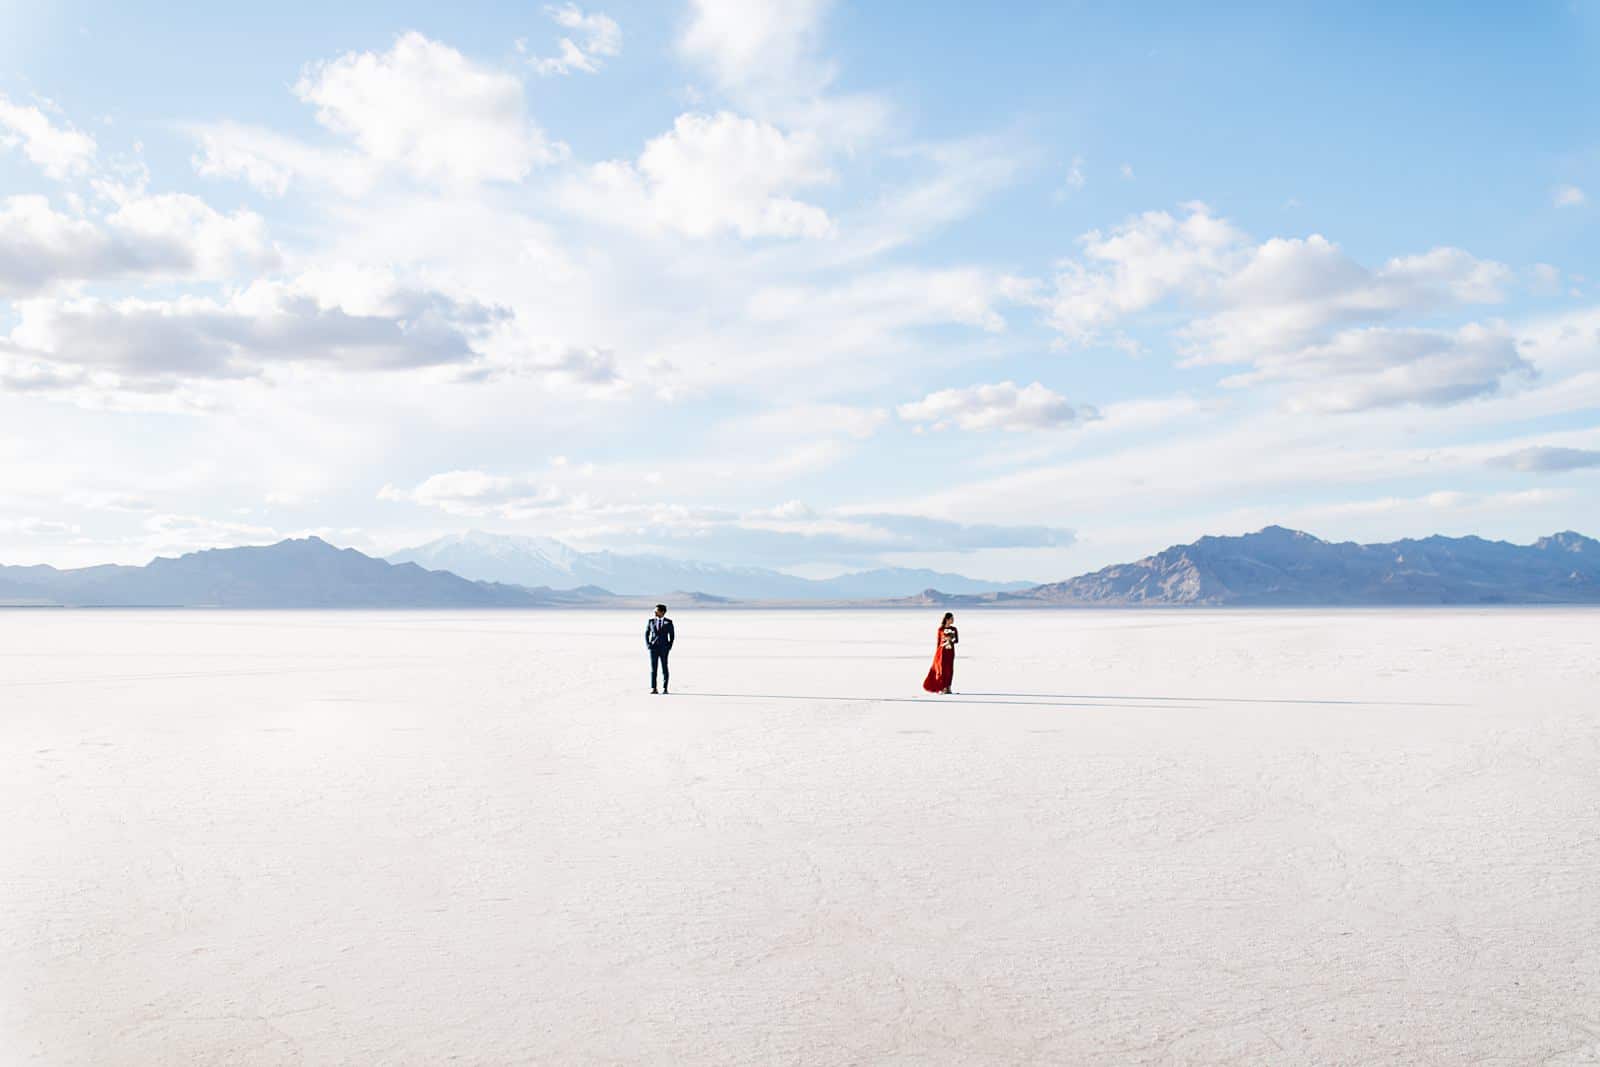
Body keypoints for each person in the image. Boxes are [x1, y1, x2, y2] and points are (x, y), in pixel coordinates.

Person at [921, 611, 958, 694]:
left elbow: (956, 641)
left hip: (950, 652)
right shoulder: (940, 629)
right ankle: (942, 687)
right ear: (947, 619)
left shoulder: (954, 629)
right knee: (942, 670)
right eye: (951, 619)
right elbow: (938, 642)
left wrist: (951, 639)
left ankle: (948, 687)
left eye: (953, 619)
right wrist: (936, 654)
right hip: (942, 653)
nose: (953, 620)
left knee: (950, 670)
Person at [646, 603, 675, 694]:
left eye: (657, 611)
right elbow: (647, 633)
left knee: (664, 667)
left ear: (662, 612)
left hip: (664, 648)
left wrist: (669, 646)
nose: (655, 612)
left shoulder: (669, 622)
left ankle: (665, 688)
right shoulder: (651, 621)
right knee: (653, 669)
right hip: (653, 648)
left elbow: (672, 636)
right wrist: (648, 644)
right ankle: (654, 688)